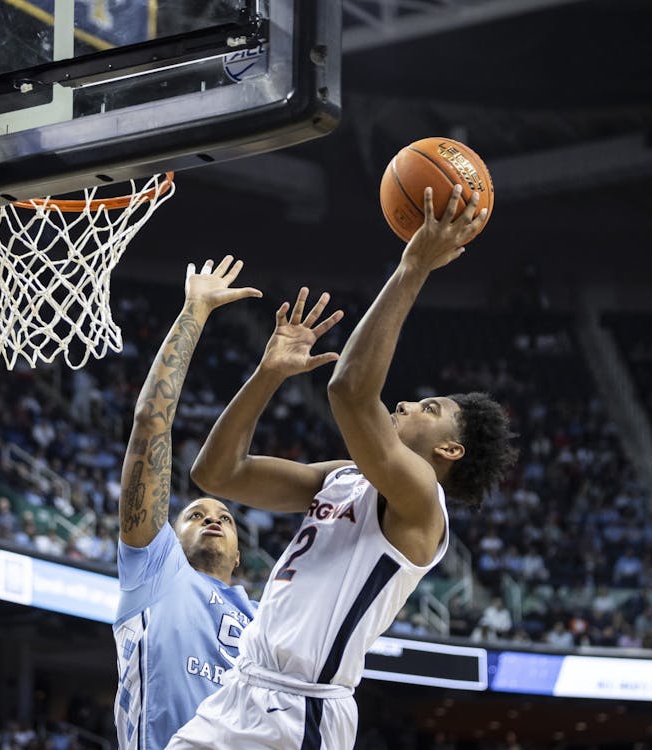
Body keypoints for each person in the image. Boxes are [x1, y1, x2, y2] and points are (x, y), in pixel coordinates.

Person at [169, 185, 517, 748]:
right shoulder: (345, 477)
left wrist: (413, 265)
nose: (406, 404)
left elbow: (351, 390)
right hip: (239, 691)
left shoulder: (421, 501)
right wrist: (269, 375)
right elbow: (218, 474)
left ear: (450, 451)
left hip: (299, 713)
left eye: (430, 410)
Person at [113, 256, 264, 750]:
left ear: (240, 555)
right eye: (195, 514)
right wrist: (195, 311)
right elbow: (150, 425)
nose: (212, 519)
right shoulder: (156, 570)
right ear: (168, 538)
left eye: (224, 517)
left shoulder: (265, 618)